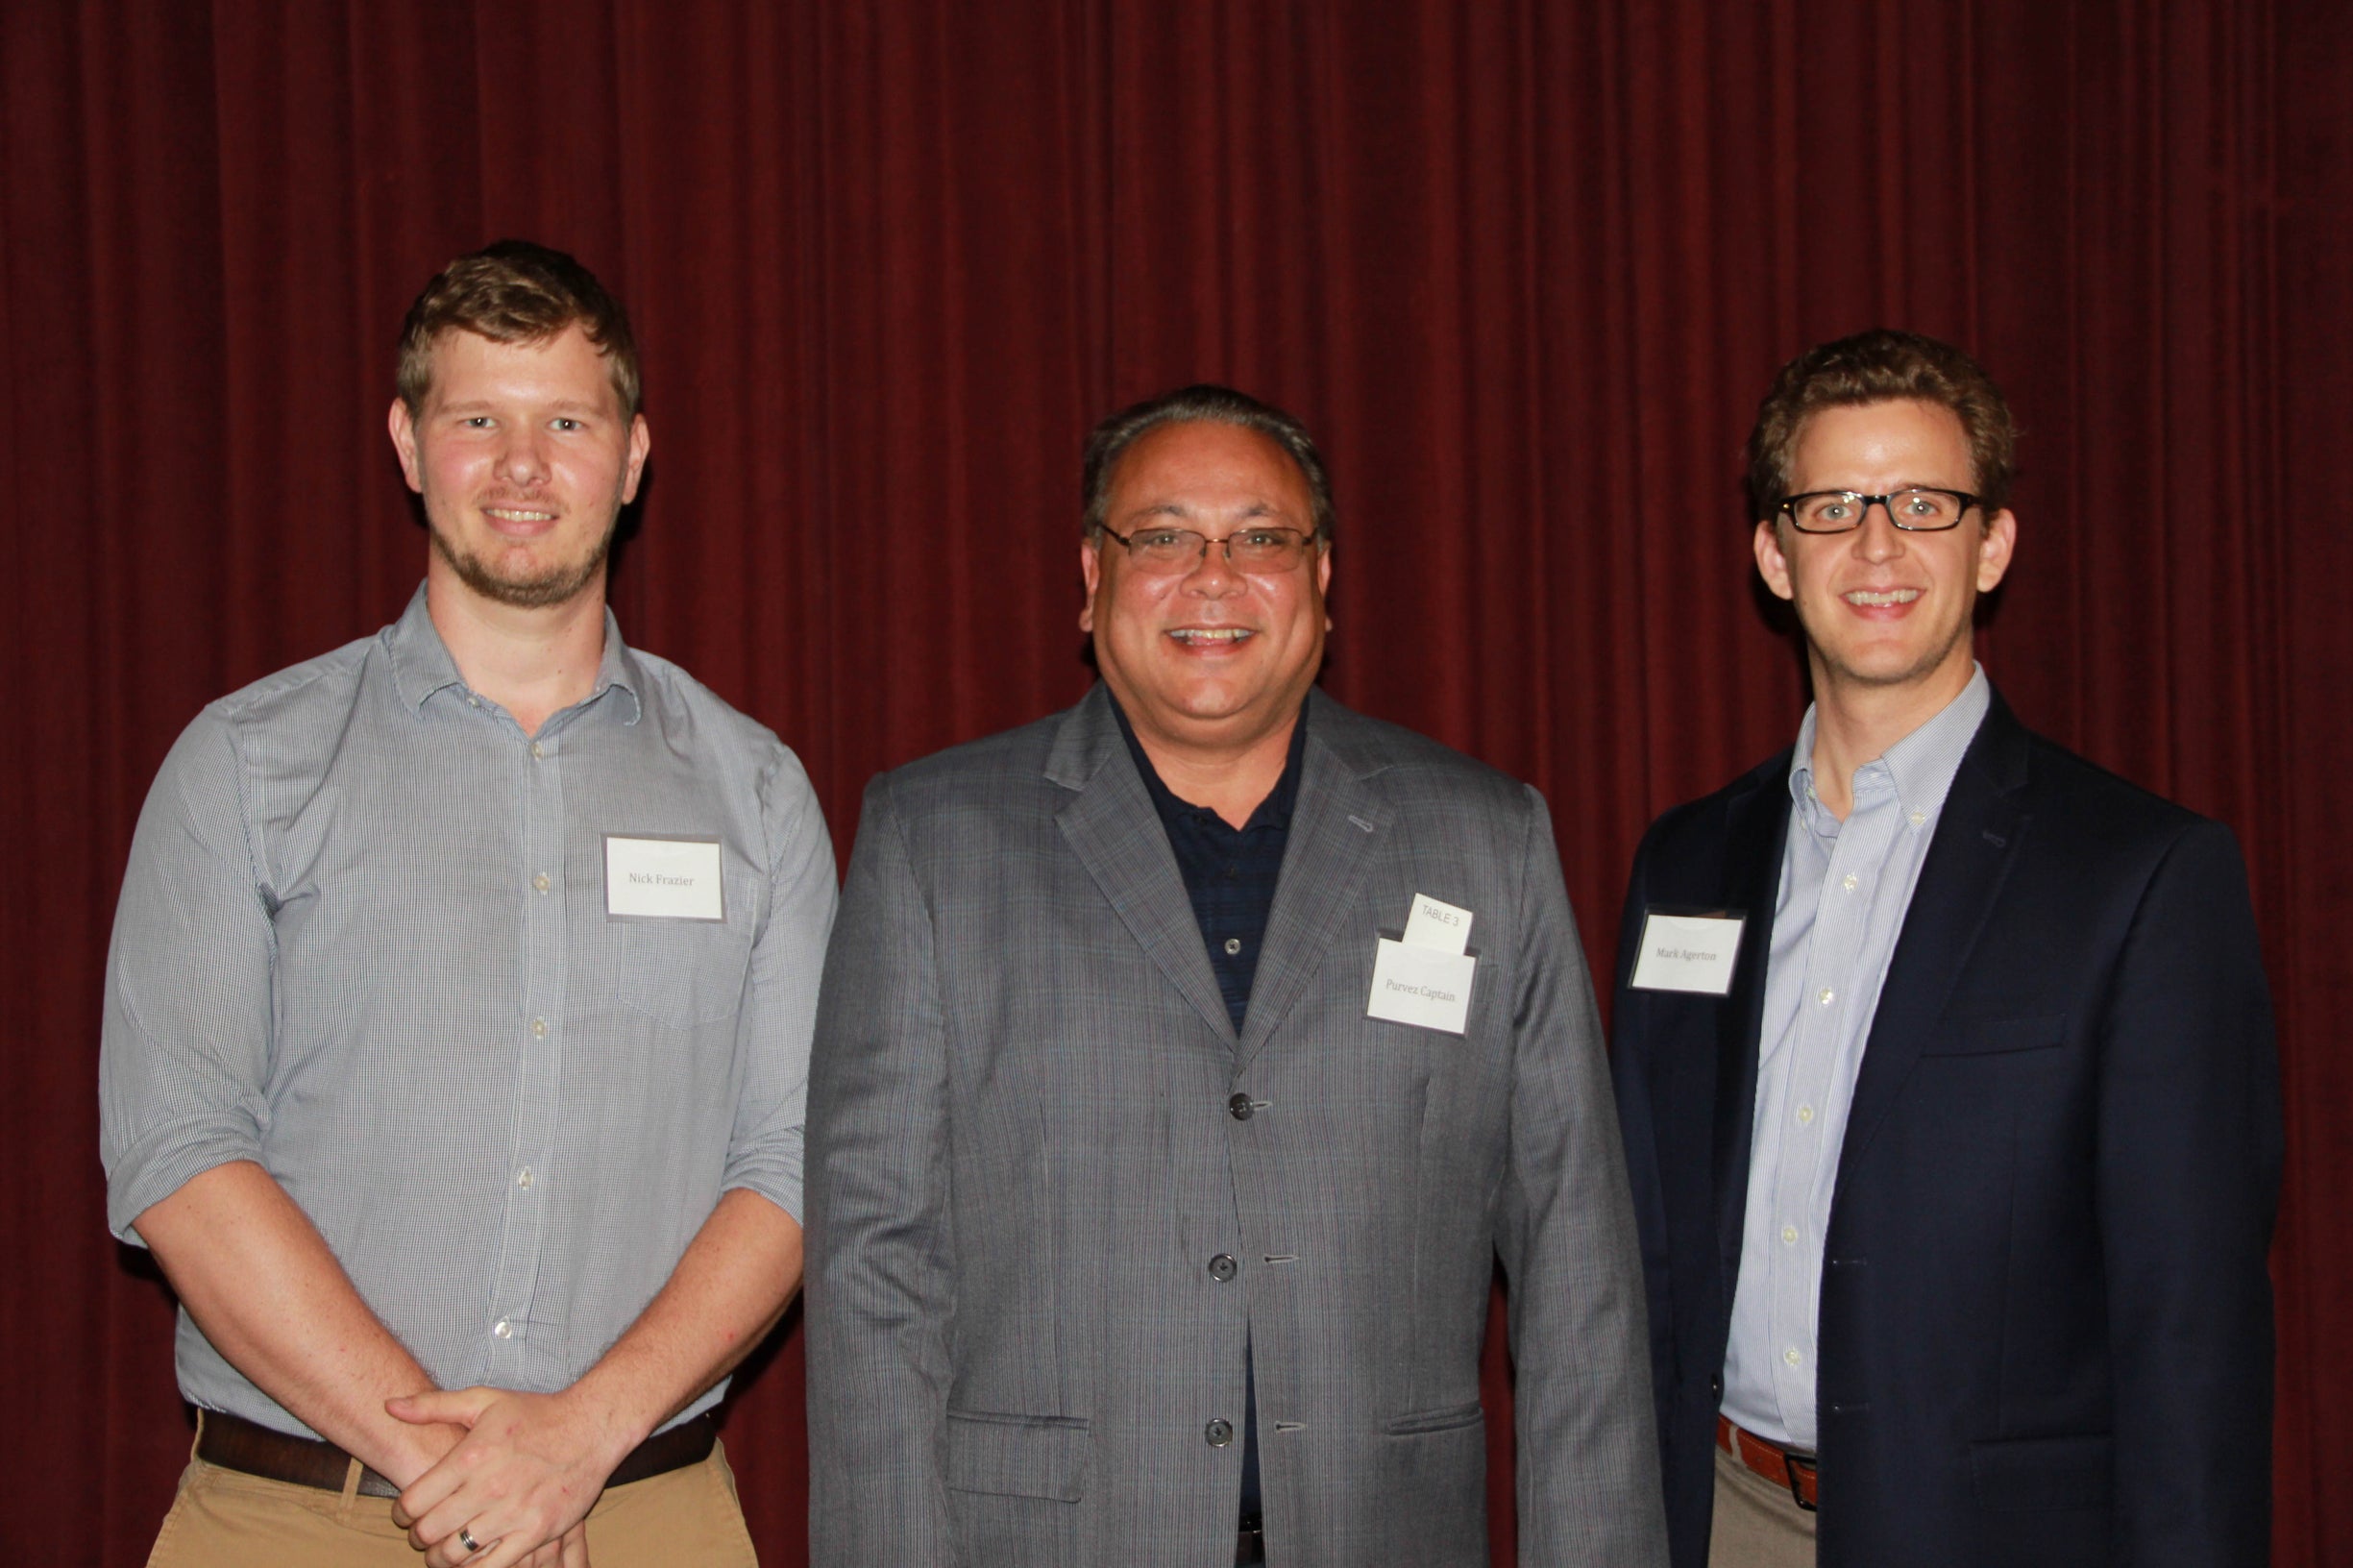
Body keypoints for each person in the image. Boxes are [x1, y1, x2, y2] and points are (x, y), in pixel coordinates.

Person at [803, 383, 1666, 1568]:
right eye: (1161, 538)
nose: (1213, 576)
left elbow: (1580, 1276)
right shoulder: (931, 840)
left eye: (1261, 538)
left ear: (1322, 582)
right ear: (1091, 580)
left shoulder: (1485, 839)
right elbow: (872, 1269)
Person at [99, 239, 835, 1568]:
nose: (520, 466)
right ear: (404, 442)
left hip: (640, 1514)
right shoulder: (245, 765)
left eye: (566, 421)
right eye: (475, 420)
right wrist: (458, 1473)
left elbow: (793, 1162)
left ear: (633, 454)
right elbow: (181, 1155)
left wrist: (574, 1443)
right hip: (294, 1520)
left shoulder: (759, 794)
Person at [1607, 329, 2281, 1567]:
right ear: (1772, 553)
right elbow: (1636, 1235)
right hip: (1717, 1518)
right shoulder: (1684, 866)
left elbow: (2192, 1329)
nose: (1876, 547)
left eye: (1922, 504)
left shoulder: (2139, 877)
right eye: (1831, 507)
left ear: (1991, 545)